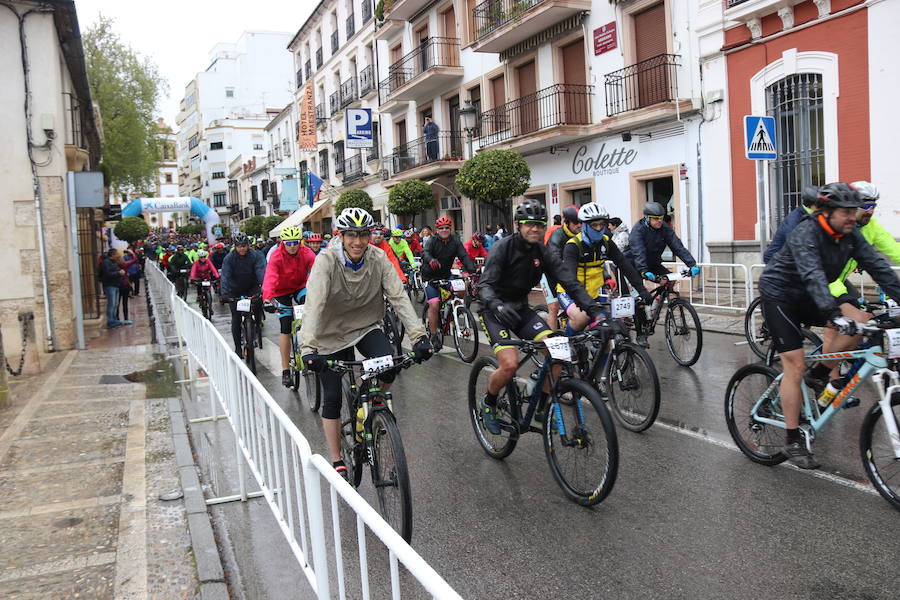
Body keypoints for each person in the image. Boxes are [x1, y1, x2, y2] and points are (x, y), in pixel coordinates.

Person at [759, 182, 900, 469]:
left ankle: (820, 372)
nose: (853, 216)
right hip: (780, 295)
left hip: (811, 295)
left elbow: (879, 268)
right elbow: (812, 274)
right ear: (826, 211)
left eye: (854, 210)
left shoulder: (851, 235)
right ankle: (792, 439)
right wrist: (833, 314)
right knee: (795, 366)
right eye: (846, 211)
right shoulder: (806, 232)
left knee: (863, 321)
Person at [299, 207, 433, 480]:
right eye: (351, 235)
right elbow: (314, 304)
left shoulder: (379, 257)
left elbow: (398, 297)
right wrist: (308, 347)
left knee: (389, 368)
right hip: (329, 333)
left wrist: (418, 336)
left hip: (365, 326)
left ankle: (367, 409)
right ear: (342, 235)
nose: (358, 241)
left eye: (363, 235)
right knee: (333, 398)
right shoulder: (326, 260)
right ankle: (337, 458)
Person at [476, 199, 601, 434]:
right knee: (510, 364)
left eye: (540, 225)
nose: (535, 229)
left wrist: (595, 312)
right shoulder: (502, 248)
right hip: (494, 311)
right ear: (518, 225)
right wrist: (496, 305)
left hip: (521, 310)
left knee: (559, 355)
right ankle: (489, 403)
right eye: (529, 224)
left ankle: (542, 409)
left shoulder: (543, 252)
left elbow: (570, 282)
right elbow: (485, 286)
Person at [558, 203, 651, 332]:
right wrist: (583, 302)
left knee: (606, 331)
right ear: (584, 226)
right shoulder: (573, 246)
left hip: (595, 292)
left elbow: (624, 264)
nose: (599, 228)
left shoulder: (606, 242)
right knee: (581, 318)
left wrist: (642, 289)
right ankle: (568, 347)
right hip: (570, 292)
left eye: (601, 224)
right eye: (594, 225)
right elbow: (571, 280)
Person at [625, 201, 700, 346]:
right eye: (655, 218)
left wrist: (692, 264)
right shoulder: (638, 230)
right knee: (640, 299)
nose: (659, 221)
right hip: (634, 265)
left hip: (653, 264)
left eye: (661, 218)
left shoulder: (665, 228)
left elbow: (677, 246)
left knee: (669, 280)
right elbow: (638, 251)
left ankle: (654, 310)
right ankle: (641, 334)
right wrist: (644, 271)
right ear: (647, 218)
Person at [262, 226, 318, 387]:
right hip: (281, 290)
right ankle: (286, 369)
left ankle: (313, 349)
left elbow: (317, 272)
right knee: (285, 327)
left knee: (311, 312)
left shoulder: (306, 252)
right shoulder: (276, 256)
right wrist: (267, 299)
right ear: (282, 243)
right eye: (289, 243)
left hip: (301, 287)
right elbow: (270, 278)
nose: (292, 246)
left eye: (295, 242)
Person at [421, 216, 476, 348]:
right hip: (430, 277)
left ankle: (453, 312)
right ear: (437, 230)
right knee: (434, 305)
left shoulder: (455, 241)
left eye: (447, 227)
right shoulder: (432, 240)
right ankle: (434, 335)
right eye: (441, 228)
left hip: (446, 275)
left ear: (450, 229)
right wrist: (431, 260)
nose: (444, 230)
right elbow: (425, 252)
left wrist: (472, 271)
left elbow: (463, 256)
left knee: (461, 289)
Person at [220, 232, 267, 354]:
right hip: (234, 290)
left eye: (244, 245)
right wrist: (224, 294)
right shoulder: (229, 259)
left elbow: (260, 271)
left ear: (248, 245)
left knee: (257, 305)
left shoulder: (255, 256)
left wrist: (264, 288)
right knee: (236, 318)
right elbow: (225, 276)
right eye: (239, 246)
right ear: (235, 246)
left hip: (252, 287)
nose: (242, 248)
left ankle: (257, 325)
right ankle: (237, 348)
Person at [544, 205, 582, 330]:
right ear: (567, 222)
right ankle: (551, 344)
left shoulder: (581, 235)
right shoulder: (558, 235)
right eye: (576, 222)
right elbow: (554, 259)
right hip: (549, 273)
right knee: (554, 307)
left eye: (581, 222)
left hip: (568, 274)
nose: (579, 225)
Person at [763, 186, 821, 263]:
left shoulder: (813, 215)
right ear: (812, 205)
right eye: (820, 205)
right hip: (776, 262)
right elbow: (795, 247)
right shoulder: (794, 220)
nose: (822, 207)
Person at [99, 248, 126, 329]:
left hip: (116, 285)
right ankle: (110, 321)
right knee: (111, 304)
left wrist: (120, 271)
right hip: (110, 285)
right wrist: (118, 273)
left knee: (115, 304)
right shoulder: (106, 262)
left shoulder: (114, 262)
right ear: (113, 255)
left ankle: (114, 320)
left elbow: (120, 266)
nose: (118, 255)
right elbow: (108, 274)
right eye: (117, 254)